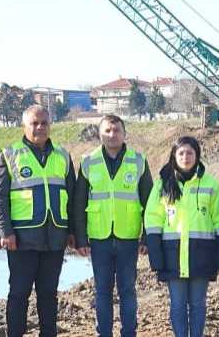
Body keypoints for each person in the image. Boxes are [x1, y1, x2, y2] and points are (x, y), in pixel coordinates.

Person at [0, 104, 76, 337]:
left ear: (50, 125)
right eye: (34, 123)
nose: (39, 127)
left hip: (55, 238)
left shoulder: (63, 155)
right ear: (24, 126)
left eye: (44, 123)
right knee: (19, 294)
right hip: (21, 239)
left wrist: (73, 232)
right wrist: (4, 231)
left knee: (49, 294)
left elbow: (73, 198)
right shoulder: (8, 155)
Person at [73, 114, 153, 337]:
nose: (112, 134)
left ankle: (129, 333)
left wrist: (146, 237)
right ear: (100, 134)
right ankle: (104, 333)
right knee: (102, 292)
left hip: (128, 237)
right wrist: (81, 238)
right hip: (99, 238)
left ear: (124, 133)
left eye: (116, 130)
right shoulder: (88, 161)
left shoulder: (138, 160)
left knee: (128, 290)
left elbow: (149, 202)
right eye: (107, 130)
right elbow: (79, 203)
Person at [145, 136, 219, 337]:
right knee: (178, 305)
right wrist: (156, 255)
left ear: (197, 155)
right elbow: (152, 218)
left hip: (202, 254)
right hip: (172, 255)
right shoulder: (162, 184)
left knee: (199, 305)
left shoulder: (211, 184)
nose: (185, 157)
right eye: (181, 153)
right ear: (174, 156)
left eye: (190, 152)